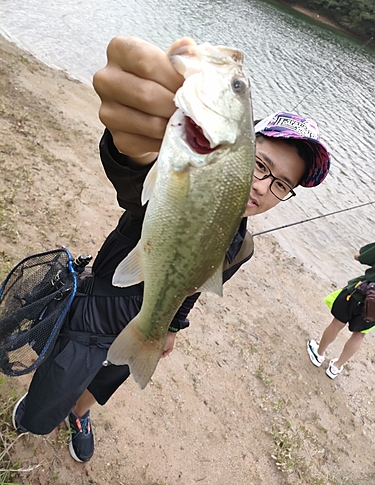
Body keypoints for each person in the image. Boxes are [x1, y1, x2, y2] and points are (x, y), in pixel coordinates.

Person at [12, 36, 330, 463]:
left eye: (281, 185)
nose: (262, 185)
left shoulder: (243, 246)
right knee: (59, 379)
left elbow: (192, 288)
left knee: (107, 379)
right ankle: (35, 413)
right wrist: (130, 147)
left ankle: (81, 413)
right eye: (260, 164)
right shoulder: (187, 171)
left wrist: (171, 326)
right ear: (240, 149)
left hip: (148, 325)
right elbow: (135, 179)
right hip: (95, 314)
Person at [307, 242, 375, 379]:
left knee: (337, 323)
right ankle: (336, 367)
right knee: (359, 335)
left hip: (359, 293)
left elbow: (359, 257)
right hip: (373, 308)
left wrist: (360, 253)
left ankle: (319, 354)